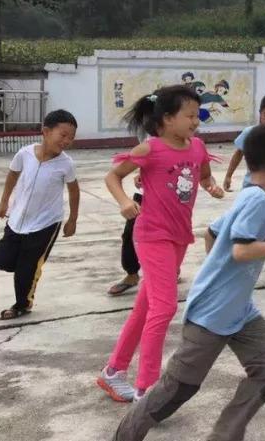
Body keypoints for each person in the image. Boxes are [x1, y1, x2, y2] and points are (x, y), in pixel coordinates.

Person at [112, 124, 265, 441]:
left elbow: (214, 232)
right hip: (214, 311)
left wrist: (219, 271)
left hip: (238, 309)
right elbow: (240, 249)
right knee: (177, 389)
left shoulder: (253, 195)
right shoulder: (259, 201)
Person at [97, 85, 224, 403]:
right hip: (152, 235)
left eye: (198, 116)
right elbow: (113, 177)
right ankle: (147, 387)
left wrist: (211, 186)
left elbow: (203, 173)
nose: (196, 121)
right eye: (190, 115)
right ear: (167, 118)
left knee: (145, 308)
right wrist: (125, 201)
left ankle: (114, 371)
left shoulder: (196, 147)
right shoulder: (149, 149)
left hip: (179, 237)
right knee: (164, 307)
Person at [0, 110, 80, 320]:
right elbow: (13, 175)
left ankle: (22, 304)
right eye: (63, 135)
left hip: (46, 224)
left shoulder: (66, 164)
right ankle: (26, 269)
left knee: (27, 268)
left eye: (71, 137)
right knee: (2, 260)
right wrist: (4, 203)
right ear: (46, 132)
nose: (67, 141)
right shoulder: (25, 154)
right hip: (17, 219)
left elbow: (74, 190)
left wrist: (72, 220)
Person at [107, 175, 144, 297]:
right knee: (130, 234)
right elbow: (114, 175)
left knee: (169, 234)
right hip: (143, 194)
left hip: (171, 194)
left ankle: (173, 270)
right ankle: (132, 274)